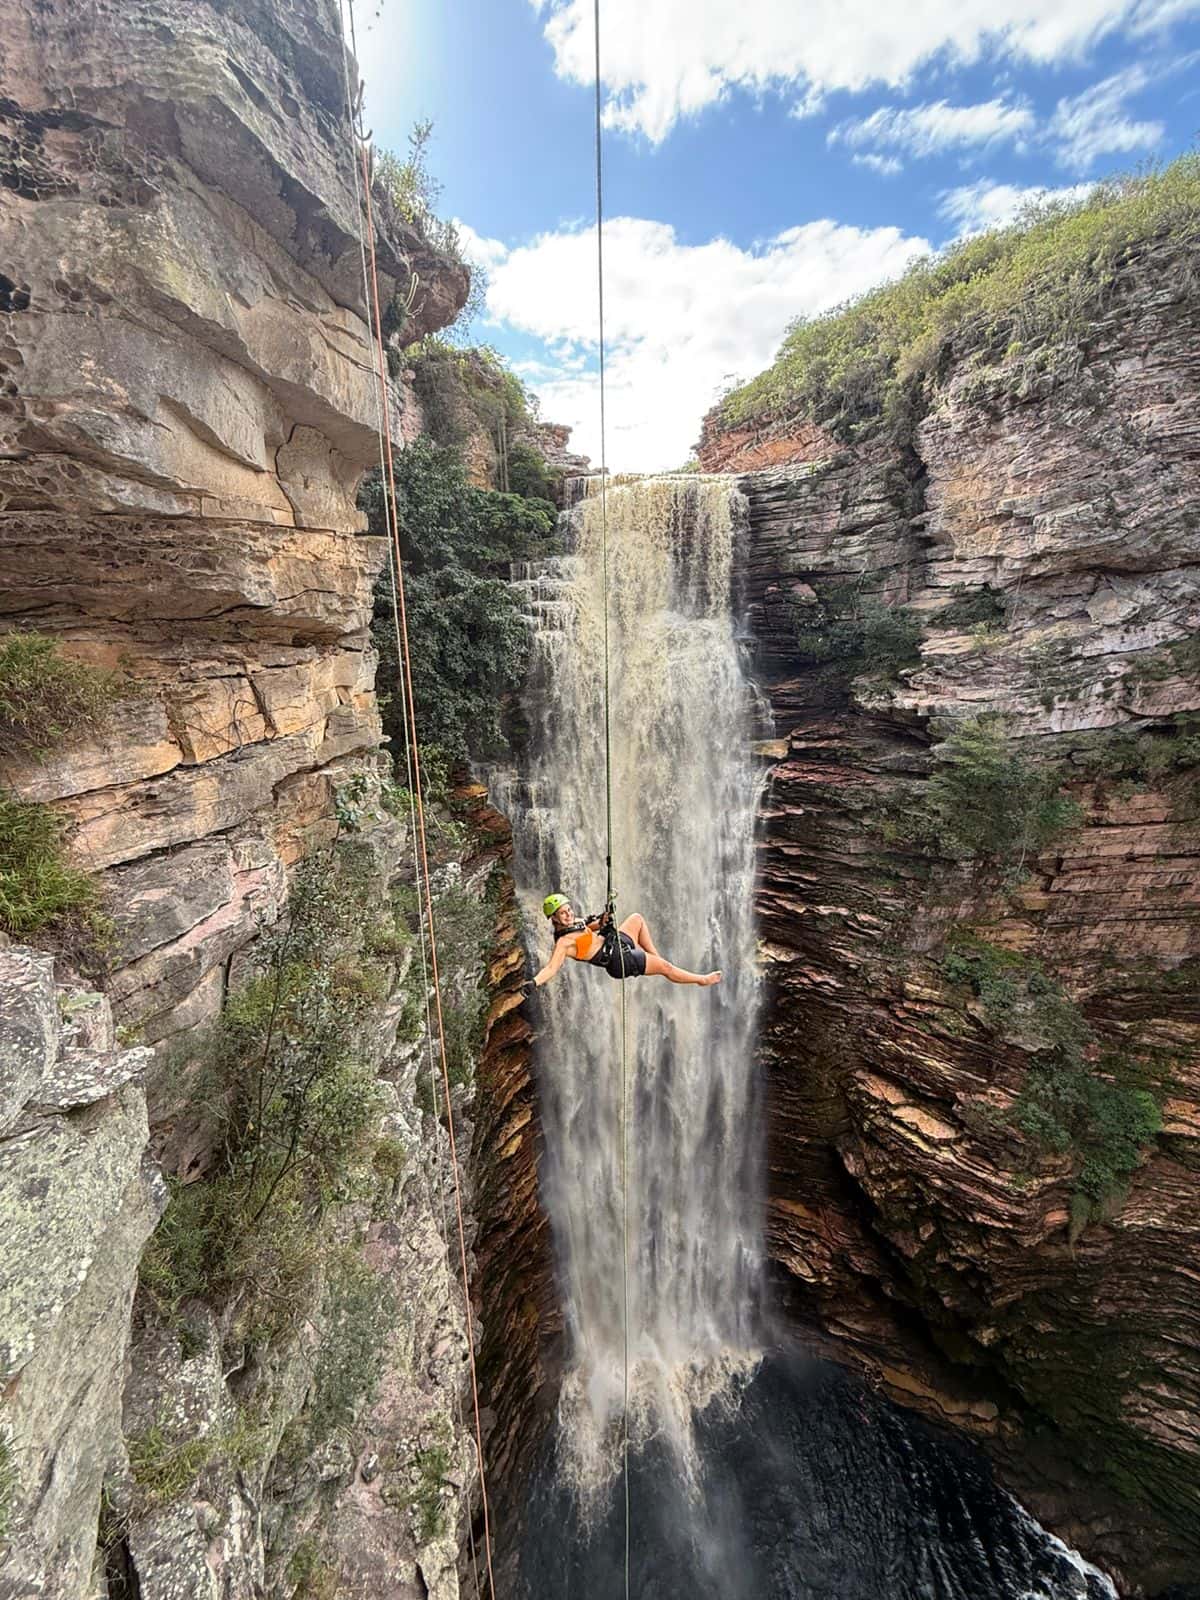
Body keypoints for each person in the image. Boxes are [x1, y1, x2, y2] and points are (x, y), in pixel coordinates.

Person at [529, 893, 722, 989]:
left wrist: (605, 917)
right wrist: (533, 984)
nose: (568, 914)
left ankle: (655, 959)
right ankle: (701, 980)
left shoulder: (576, 922)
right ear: (553, 918)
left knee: (637, 919)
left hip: (613, 941)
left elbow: (594, 925)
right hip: (617, 960)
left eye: (568, 909)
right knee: (666, 968)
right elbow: (551, 969)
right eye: (562, 913)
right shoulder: (563, 943)